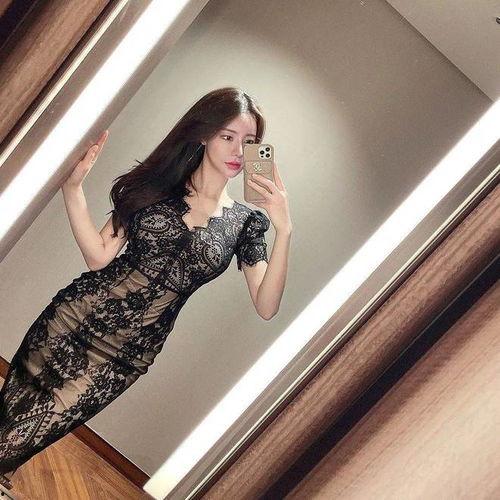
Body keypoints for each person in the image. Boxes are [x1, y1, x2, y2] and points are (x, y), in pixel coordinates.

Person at [0, 86, 292, 489]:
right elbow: (99, 256)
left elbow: (266, 305)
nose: (239, 151)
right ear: (204, 134)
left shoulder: (246, 224)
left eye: (250, 142)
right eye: (228, 136)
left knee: (25, 436)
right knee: (9, 422)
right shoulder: (156, 185)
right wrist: (73, 189)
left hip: (126, 355)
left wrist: (284, 228)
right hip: (73, 319)